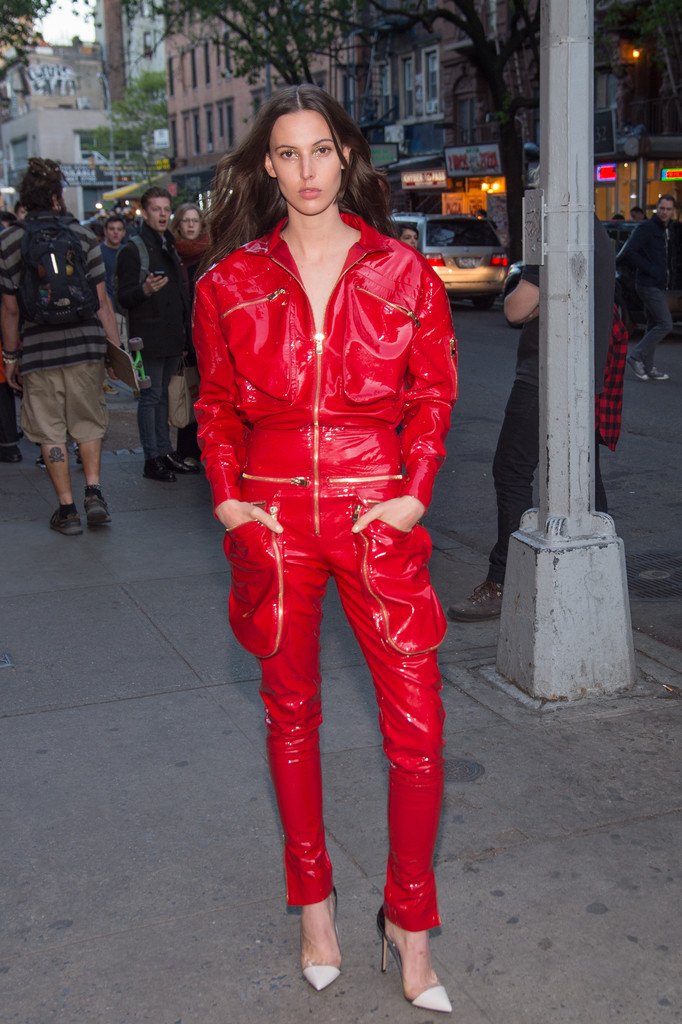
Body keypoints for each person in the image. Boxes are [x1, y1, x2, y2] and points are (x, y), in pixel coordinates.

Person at [192, 84, 458, 1012]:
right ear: (268, 164)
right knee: (290, 720)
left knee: (418, 733)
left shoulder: (403, 273)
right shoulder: (227, 283)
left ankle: (410, 924)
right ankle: (314, 906)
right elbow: (215, 406)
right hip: (271, 522)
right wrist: (228, 500)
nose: (307, 170)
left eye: (321, 150)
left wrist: (412, 496)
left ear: (346, 155)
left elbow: (431, 397)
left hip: (370, 516)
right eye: (288, 153)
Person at [447, 215, 617, 622]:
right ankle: (599, 575)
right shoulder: (597, 232)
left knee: (511, 471)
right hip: (584, 374)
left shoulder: (558, 230)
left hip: (544, 375)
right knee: (584, 479)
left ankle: (506, 581)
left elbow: (517, 306)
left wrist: (522, 295)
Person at [0, 158, 120, 533]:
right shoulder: (83, 236)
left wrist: (9, 357)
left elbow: (9, 308)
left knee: (50, 430)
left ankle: (67, 510)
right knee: (87, 422)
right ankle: (94, 492)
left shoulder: (10, 240)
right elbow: (102, 302)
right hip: (85, 344)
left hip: (38, 350)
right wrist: (114, 352)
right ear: (57, 196)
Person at [117, 186, 196, 481]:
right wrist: (143, 290)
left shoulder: (169, 245)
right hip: (147, 339)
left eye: (166, 209)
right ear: (145, 212)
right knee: (150, 397)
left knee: (162, 396)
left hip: (171, 336)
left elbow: (180, 296)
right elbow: (122, 298)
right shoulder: (133, 249)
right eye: (156, 209)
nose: (162, 214)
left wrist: (185, 337)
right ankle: (152, 457)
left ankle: (164, 451)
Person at [618, 194, 677, 381]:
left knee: (653, 323)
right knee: (665, 323)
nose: (665, 212)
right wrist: (651, 269)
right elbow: (629, 252)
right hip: (647, 284)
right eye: (662, 208)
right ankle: (635, 356)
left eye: (668, 209)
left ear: (673, 211)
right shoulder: (647, 228)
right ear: (656, 209)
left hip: (658, 284)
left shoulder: (666, 229)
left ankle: (649, 367)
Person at [169, 202, 208, 465]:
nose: (191, 225)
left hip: (204, 332)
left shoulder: (209, 255)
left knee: (204, 392)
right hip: (182, 334)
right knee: (187, 392)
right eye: (186, 221)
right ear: (178, 225)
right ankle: (187, 451)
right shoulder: (171, 255)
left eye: (195, 220)